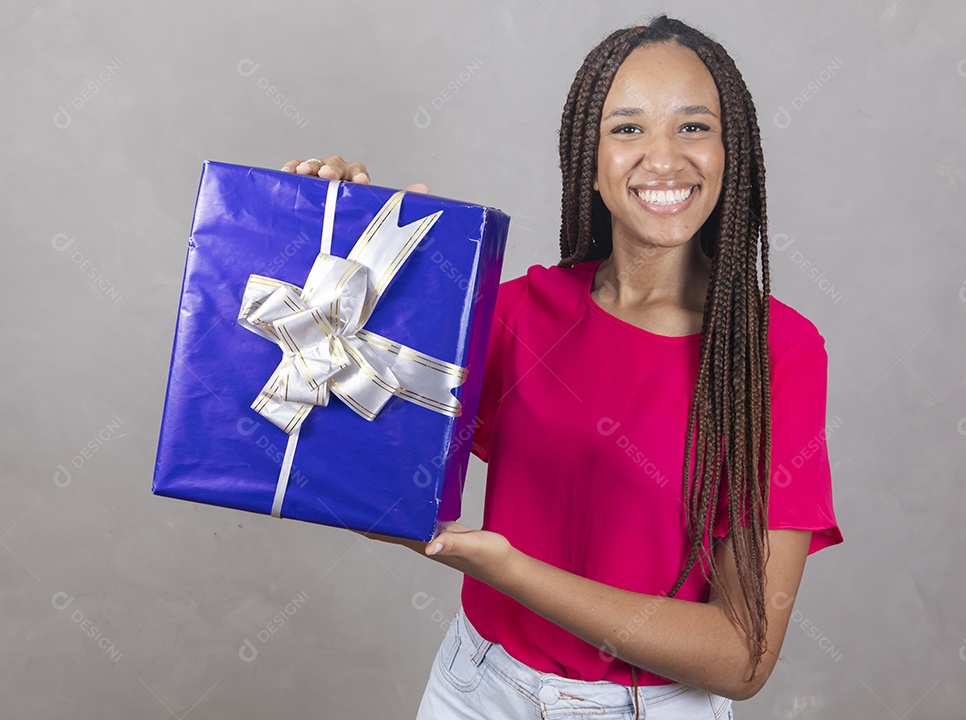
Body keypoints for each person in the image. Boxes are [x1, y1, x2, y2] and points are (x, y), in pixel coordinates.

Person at [281, 14, 842, 719]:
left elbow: (741, 656)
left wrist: (509, 570)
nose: (664, 158)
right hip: (475, 692)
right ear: (590, 162)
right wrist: (322, 244)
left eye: (694, 127)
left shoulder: (773, 353)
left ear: (734, 154)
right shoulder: (518, 313)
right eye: (628, 128)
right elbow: (353, 474)